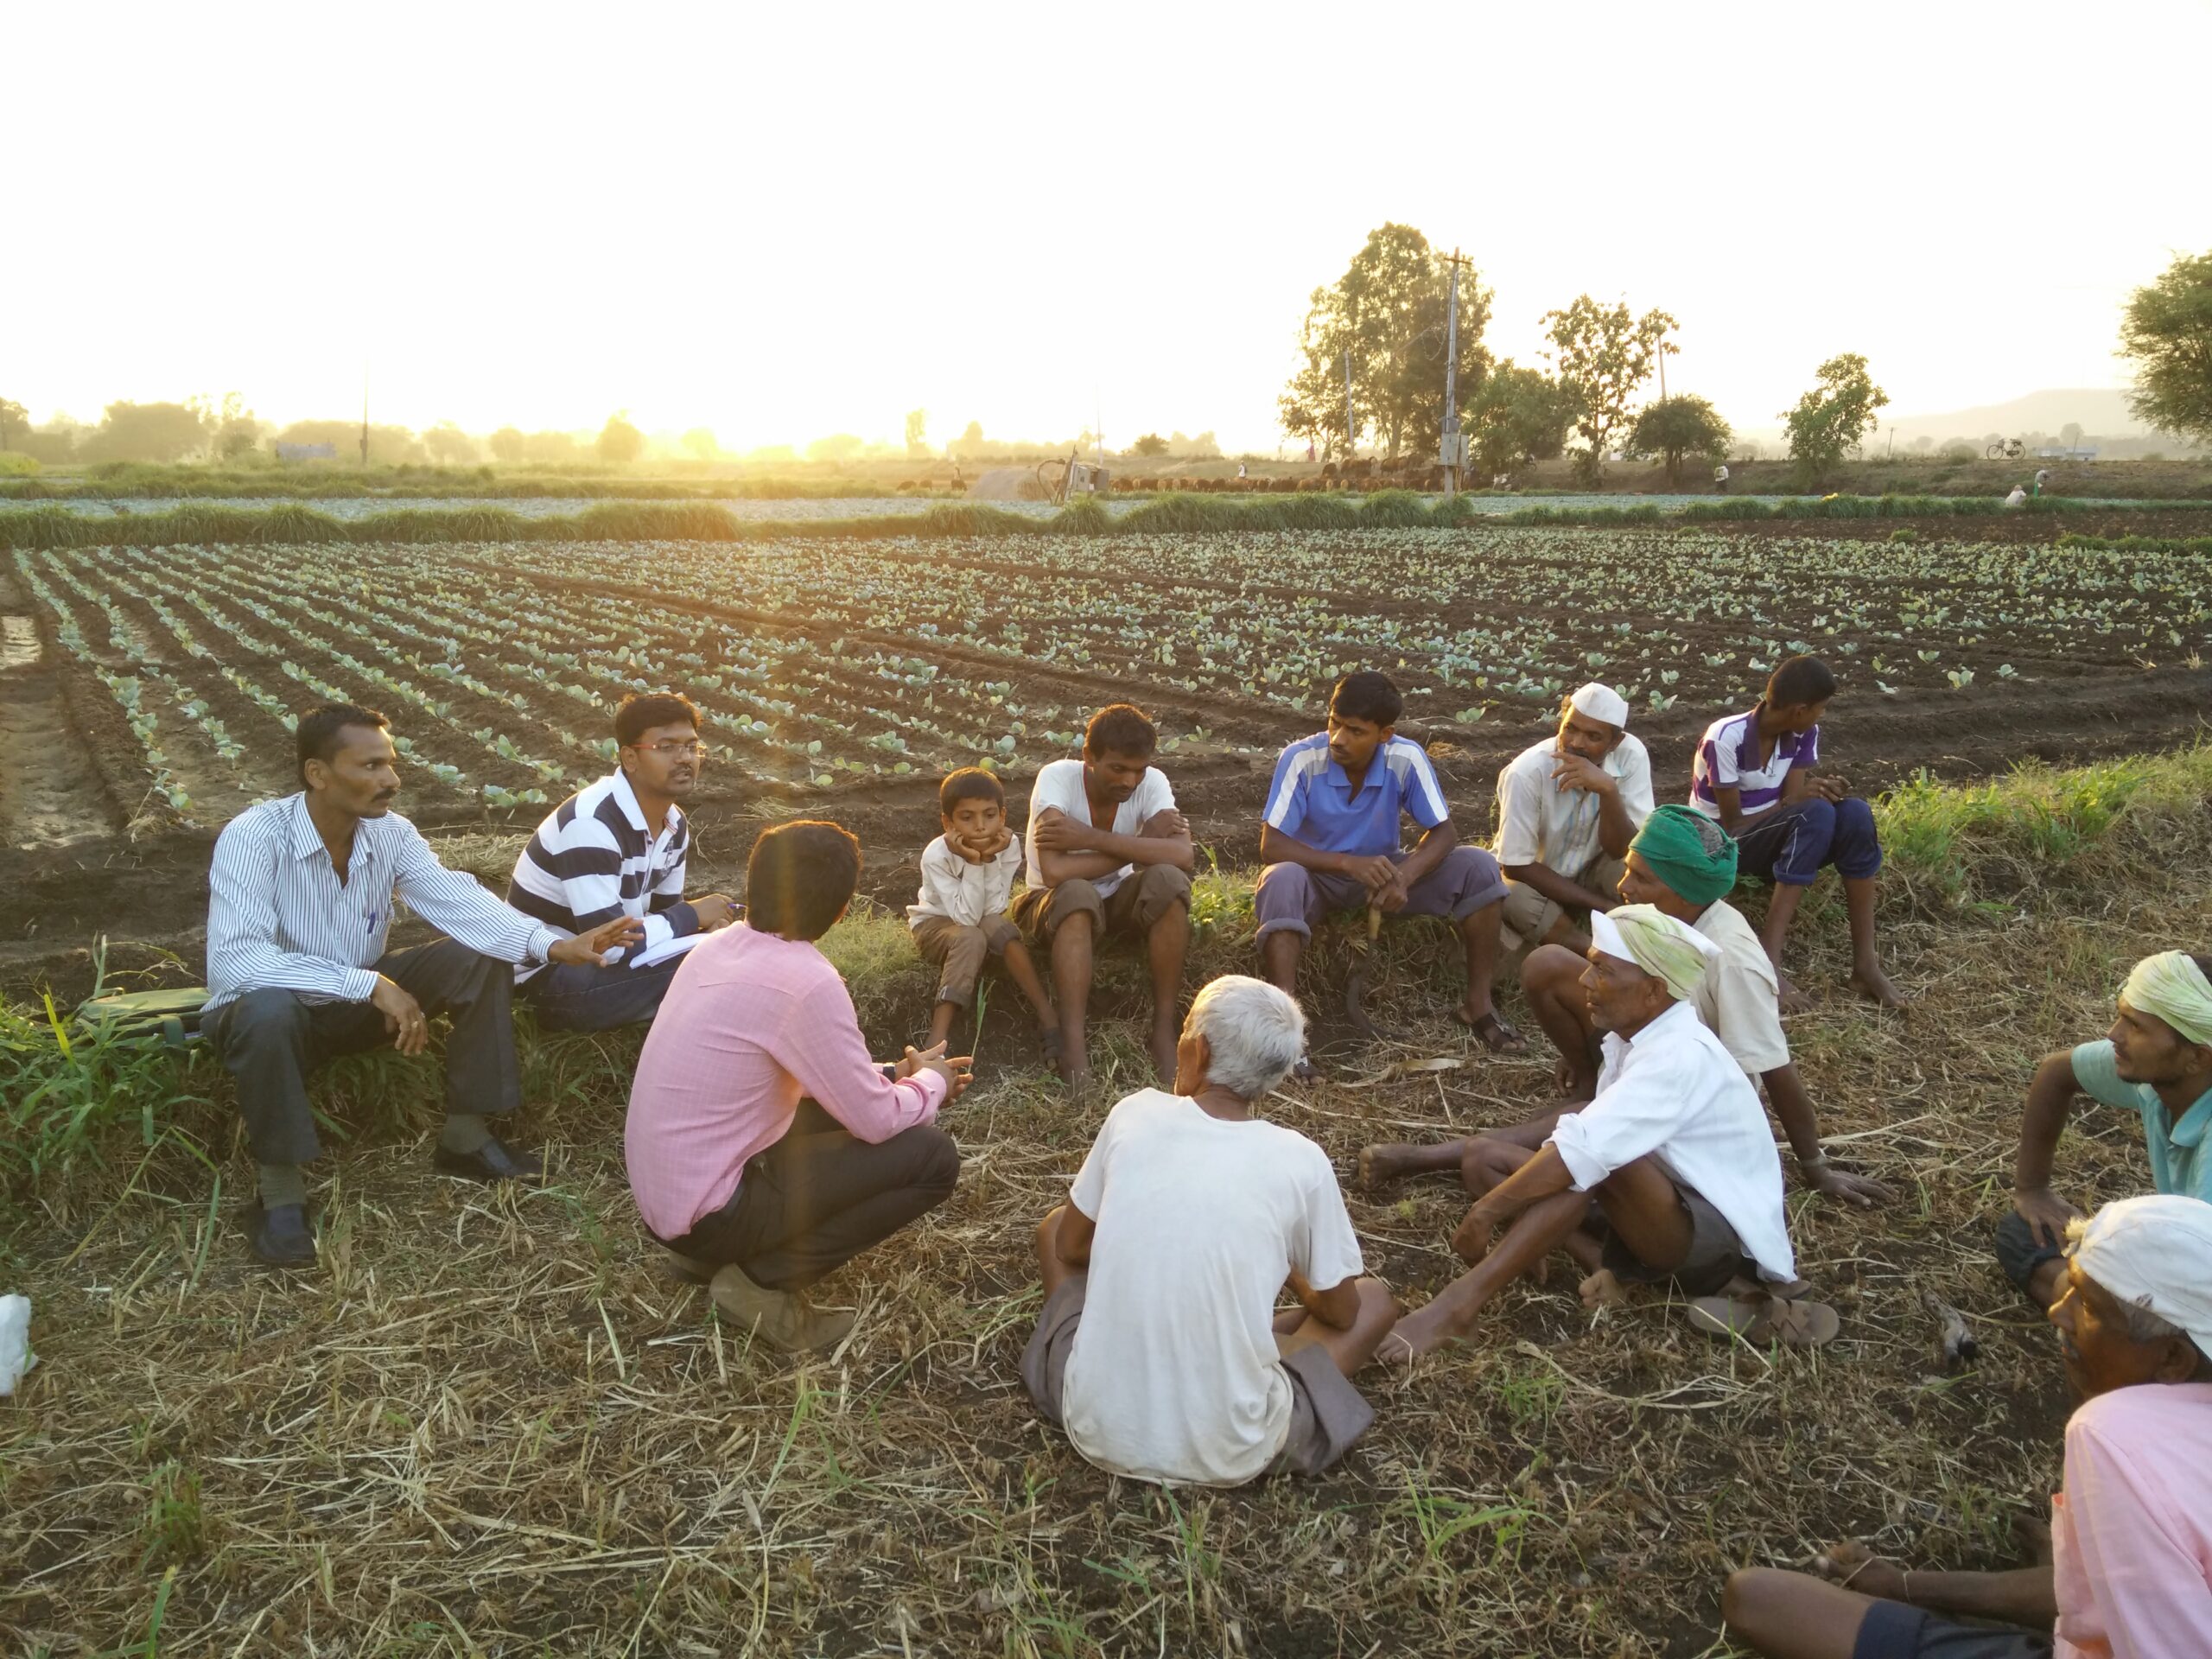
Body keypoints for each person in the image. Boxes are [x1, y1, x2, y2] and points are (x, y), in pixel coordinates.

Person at [203, 702, 638, 1267]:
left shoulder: (389, 834)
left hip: (351, 1008)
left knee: (476, 957)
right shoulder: (255, 837)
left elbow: (457, 899)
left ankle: (465, 1134)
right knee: (267, 1011)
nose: (392, 780)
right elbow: (237, 961)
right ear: (318, 774)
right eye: (371, 766)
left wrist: (554, 945)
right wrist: (367, 983)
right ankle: (280, 1195)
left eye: (391, 763)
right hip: (271, 1013)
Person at [1721, 1192, 2212, 1659]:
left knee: (1761, 1600)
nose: (2058, 1313)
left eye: (2086, 1307)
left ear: (2173, 1358)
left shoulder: (2113, 1434)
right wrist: (1906, 1586)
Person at [1366, 806, 1891, 1209]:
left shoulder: (1732, 961)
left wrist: (1815, 1166)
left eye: (1642, 877)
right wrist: (1603, 1051)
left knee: (1579, 1125)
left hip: (1686, 1092)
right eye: (1630, 868)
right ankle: (1589, 1077)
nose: (1624, 886)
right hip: (1644, 1049)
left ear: (1685, 892)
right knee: (1549, 964)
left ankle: (1430, 1158)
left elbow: (1775, 1070)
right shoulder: (1651, 917)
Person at [1384, 906, 1809, 1360]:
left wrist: (1485, 1214)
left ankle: (1458, 1306)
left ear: (1653, 991)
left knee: (1594, 1159)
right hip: (1661, 1205)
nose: (1585, 981)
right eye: (1590, 964)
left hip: (1717, 1244)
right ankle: (1606, 1267)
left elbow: (1584, 1150)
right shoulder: (1634, 1039)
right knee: (1488, 1159)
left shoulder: (1680, 1057)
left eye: (1602, 970)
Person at [1023, 976, 1400, 1485]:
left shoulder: (1134, 1112)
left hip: (1094, 1425)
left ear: (1195, 1052)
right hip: (1233, 1446)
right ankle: (1236, 1337)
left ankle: (1158, 1346)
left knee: (1053, 1229)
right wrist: (1287, 1263)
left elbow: (1069, 1246)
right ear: (1275, 1074)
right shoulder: (1302, 1161)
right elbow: (1341, 1311)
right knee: (1373, 1300)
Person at [626, 821, 971, 1353]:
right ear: (840, 911)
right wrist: (932, 1083)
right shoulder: (808, 981)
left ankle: (706, 1258)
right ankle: (762, 1283)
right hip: (712, 1215)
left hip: (671, 1205)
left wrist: (896, 1076)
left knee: (852, 1109)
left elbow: (805, 1075)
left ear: (752, 882)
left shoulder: (715, 949)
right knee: (932, 1158)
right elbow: (876, 1121)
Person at [1255, 671, 1518, 1052]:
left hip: (1382, 877)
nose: (1338, 739)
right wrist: (1347, 864)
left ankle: (1479, 1005)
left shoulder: (1405, 757)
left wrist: (1405, 877)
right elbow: (1272, 845)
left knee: (1479, 865)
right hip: (1317, 878)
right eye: (1334, 723)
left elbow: (1444, 833)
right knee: (1280, 879)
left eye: (1355, 731)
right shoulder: (1301, 759)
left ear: (1385, 734)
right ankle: (1284, 1032)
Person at [505, 692, 738, 1033]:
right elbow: (608, 945)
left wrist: (701, 931)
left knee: (727, 951)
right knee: (727, 964)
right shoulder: (591, 824)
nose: (684, 758)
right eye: (666, 747)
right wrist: (692, 916)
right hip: (548, 981)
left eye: (691, 746)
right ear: (629, 758)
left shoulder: (674, 824)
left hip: (607, 967)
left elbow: (666, 922)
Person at [1690, 654, 1910, 1011]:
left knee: (1853, 813)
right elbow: (1732, 826)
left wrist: (1821, 791)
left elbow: (1794, 802)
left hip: (1775, 833)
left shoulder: (1802, 733)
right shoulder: (1725, 738)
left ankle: (1865, 965)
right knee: (1814, 814)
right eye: (1820, 709)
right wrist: (1797, 802)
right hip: (1723, 843)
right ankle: (1768, 960)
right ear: (1799, 709)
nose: (1821, 716)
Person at [1999, 950, 2212, 1310]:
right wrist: (2032, 1189)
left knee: (2134, 1308)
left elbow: (2197, 1279)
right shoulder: (2165, 1077)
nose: (2114, 1034)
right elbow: (2056, 1073)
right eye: (2122, 1017)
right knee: (2022, 1234)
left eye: (2136, 1026)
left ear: (2198, 1057)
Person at [1014, 703, 1194, 1090]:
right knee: (1077, 892)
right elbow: (1055, 872)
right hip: (1050, 903)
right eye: (1118, 768)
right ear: (1088, 757)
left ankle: (1164, 1028)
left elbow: (1183, 855)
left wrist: (1089, 838)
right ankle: (1074, 1045)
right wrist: (1142, 843)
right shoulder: (1057, 780)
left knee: (1168, 881)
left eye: (1138, 770)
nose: (1130, 781)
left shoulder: (1153, 781)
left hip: (1116, 900)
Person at [1492, 683, 1655, 961]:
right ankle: (1597, 952)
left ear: (1615, 743)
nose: (1577, 743)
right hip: (1538, 877)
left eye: (1593, 736)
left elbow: (1624, 849)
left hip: (1594, 867)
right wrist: (1601, 905)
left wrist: (1608, 791)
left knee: (1645, 871)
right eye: (1571, 729)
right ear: (1561, 722)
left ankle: (1651, 940)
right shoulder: (1527, 771)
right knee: (1511, 896)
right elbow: (1516, 865)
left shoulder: (1631, 756)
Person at [908, 766, 1058, 1052]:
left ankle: (1046, 1013)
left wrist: (989, 858)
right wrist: (975, 863)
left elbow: (994, 908)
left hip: (977, 918)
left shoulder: (1008, 845)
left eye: (989, 815)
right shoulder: (936, 855)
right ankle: (938, 1038)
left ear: (1002, 816)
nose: (980, 826)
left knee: (1000, 928)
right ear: (947, 822)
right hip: (935, 924)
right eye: (967, 817)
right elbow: (965, 918)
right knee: (971, 936)